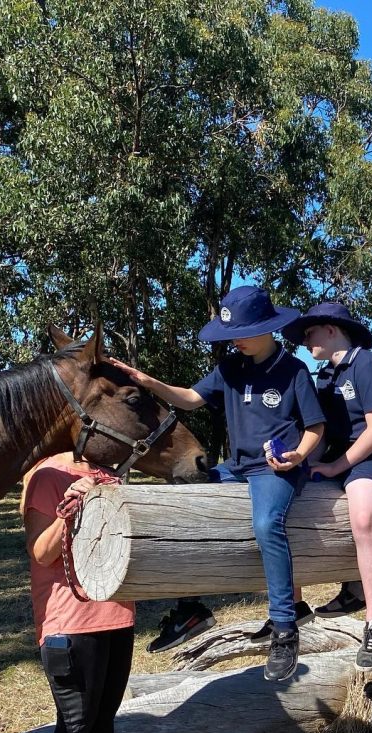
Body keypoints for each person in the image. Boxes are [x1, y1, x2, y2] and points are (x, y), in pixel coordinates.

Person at [115, 285, 325, 683]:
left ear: (267, 328)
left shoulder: (293, 370)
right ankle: (190, 608)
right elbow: (192, 398)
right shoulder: (230, 367)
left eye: (241, 333)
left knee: (266, 525)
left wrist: (297, 456)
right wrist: (148, 381)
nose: (235, 341)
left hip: (275, 469)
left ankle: (284, 627)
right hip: (238, 466)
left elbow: (315, 427)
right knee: (185, 491)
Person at [23, 454, 144, 733]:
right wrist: (68, 512)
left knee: (104, 714)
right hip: (70, 621)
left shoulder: (110, 474)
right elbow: (41, 553)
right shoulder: (48, 475)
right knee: (76, 720)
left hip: (117, 613)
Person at [282, 302, 372, 669]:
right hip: (337, 457)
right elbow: (318, 432)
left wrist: (335, 465)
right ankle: (293, 609)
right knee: (285, 501)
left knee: (364, 516)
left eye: (309, 334)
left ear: (332, 330)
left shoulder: (368, 364)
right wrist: (300, 461)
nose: (305, 342)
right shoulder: (325, 376)